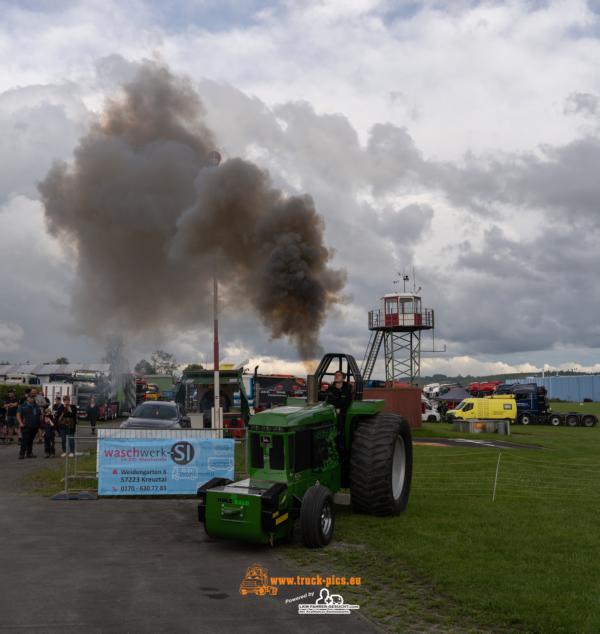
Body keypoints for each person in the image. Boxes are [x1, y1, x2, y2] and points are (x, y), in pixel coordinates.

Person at [16, 393, 41, 459]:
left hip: (34, 426)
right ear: (28, 398)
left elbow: (39, 414)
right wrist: (20, 423)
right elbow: (18, 415)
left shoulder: (36, 406)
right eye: (31, 398)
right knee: (25, 440)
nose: (32, 399)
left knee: (30, 440)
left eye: (33, 398)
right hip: (25, 426)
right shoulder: (22, 406)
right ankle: (22, 454)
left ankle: (29, 453)